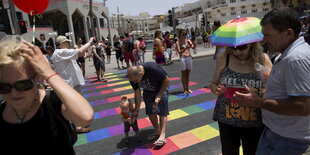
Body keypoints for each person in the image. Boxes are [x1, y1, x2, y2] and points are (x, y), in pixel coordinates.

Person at [234, 8, 310, 155]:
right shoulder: (290, 54)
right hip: (280, 135)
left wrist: (258, 102)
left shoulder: (295, 59)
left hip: (288, 141)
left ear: (288, 33)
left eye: (268, 35)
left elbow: (303, 107)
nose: (264, 40)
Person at [0, 37, 94, 154]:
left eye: (23, 84)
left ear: (38, 76)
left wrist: (48, 72)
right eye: (4, 87)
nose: (13, 93)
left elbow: (84, 118)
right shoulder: (2, 110)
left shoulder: (51, 101)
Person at [51, 35, 95, 133]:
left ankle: (76, 125)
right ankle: (75, 126)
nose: (69, 44)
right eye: (67, 42)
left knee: (73, 104)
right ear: (61, 44)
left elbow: (81, 54)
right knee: (73, 105)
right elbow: (79, 52)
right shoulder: (60, 52)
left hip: (72, 82)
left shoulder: (62, 53)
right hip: (69, 83)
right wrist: (90, 42)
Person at [127, 62, 170, 146]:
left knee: (162, 112)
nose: (135, 82)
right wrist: (137, 110)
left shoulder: (153, 69)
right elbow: (137, 93)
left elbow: (167, 80)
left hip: (161, 89)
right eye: (133, 81)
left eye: (136, 80)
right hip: (148, 91)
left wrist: (159, 95)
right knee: (150, 112)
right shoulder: (133, 77)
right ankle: (157, 131)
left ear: (141, 73)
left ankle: (162, 135)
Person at [175, 29, 194, 95]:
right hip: (182, 58)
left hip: (189, 57)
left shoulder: (188, 40)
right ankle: (184, 89)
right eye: (183, 34)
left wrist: (193, 44)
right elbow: (179, 52)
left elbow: (193, 47)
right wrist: (186, 48)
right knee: (183, 74)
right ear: (180, 34)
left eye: (185, 34)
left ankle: (187, 88)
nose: (184, 35)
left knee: (187, 75)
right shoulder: (178, 42)